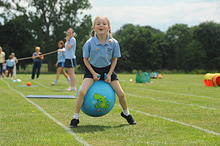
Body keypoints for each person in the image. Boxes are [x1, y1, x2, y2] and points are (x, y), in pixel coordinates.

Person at [69, 16, 136, 128]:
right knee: (81, 92)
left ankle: (126, 113)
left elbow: (114, 59)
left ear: (109, 27)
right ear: (94, 27)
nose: (101, 25)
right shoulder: (89, 43)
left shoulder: (114, 43)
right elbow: (85, 60)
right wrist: (94, 73)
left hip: (108, 70)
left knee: (121, 94)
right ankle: (75, 117)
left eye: (104, 24)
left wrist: (109, 74)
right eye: (98, 24)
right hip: (92, 70)